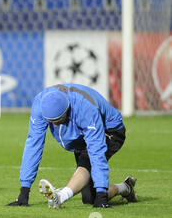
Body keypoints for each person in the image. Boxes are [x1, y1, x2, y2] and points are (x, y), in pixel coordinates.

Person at [8, 83, 138, 209]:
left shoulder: (86, 108)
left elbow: (96, 151)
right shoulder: (39, 106)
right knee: (89, 198)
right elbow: (34, 144)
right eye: (51, 122)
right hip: (80, 136)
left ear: (67, 111)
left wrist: (102, 196)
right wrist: (24, 192)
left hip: (109, 130)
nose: (56, 126)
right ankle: (126, 188)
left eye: (58, 121)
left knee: (86, 165)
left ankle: (60, 196)